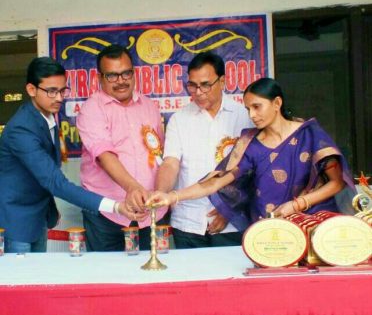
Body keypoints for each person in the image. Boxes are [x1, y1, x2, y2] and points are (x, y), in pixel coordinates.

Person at [147, 78, 356, 232]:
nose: (252, 115)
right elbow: (214, 182)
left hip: (314, 227)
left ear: (277, 103)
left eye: (257, 107)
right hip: (270, 232)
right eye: (248, 109)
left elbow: (337, 183)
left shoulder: (309, 134)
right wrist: (172, 196)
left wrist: (297, 205)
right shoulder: (249, 144)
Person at [0, 57, 135, 253]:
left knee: (38, 281)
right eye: (52, 91)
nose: (59, 98)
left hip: (38, 218)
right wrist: (116, 207)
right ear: (31, 90)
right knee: (23, 282)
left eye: (63, 90)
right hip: (15, 222)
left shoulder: (45, 116)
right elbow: (55, 182)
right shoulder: (21, 129)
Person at [154, 51, 252, 248]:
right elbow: (171, 163)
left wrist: (229, 209)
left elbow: (251, 172)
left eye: (205, 85)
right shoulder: (179, 119)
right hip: (188, 221)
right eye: (192, 85)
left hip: (232, 223)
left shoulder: (245, 116)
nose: (198, 92)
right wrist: (161, 194)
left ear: (222, 82)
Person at [76, 44, 167, 251]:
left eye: (126, 73)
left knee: (150, 276)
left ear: (134, 73)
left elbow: (158, 155)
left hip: (149, 210)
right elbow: (104, 155)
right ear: (100, 78)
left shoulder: (149, 106)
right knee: (109, 278)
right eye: (112, 76)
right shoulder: (91, 109)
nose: (121, 81)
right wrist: (133, 188)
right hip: (107, 213)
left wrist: (160, 194)